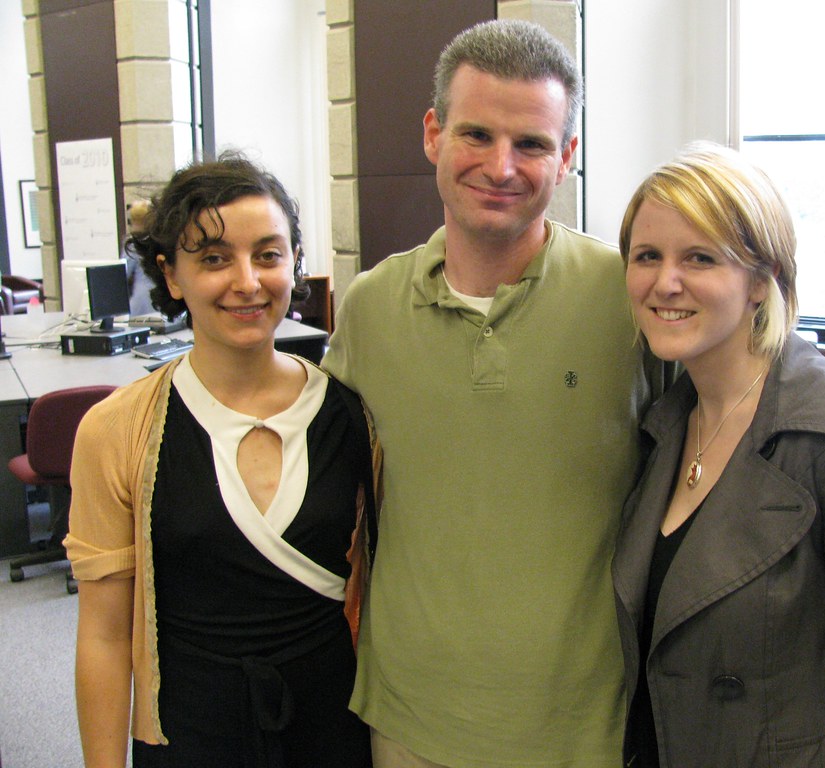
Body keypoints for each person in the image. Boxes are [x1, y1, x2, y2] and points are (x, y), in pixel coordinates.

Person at [321, 19, 658, 768]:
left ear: (566, 157)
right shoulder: (371, 308)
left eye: (532, 143)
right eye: (476, 134)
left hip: (585, 725)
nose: (501, 167)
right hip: (410, 717)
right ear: (433, 133)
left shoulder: (628, 300)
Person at [613, 142, 825, 767]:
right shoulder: (665, 425)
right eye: (647, 256)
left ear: (761, 281)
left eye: (700, 258)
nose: (666, 282)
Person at [66, 154, 373, 768]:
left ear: (294, 265)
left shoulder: (353, 414)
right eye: (213, 258)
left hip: (336, 727)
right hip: (191, 730)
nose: (247, 281)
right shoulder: (117, 430)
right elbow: (103, 636)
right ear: (171, 275)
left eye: (268, 254)